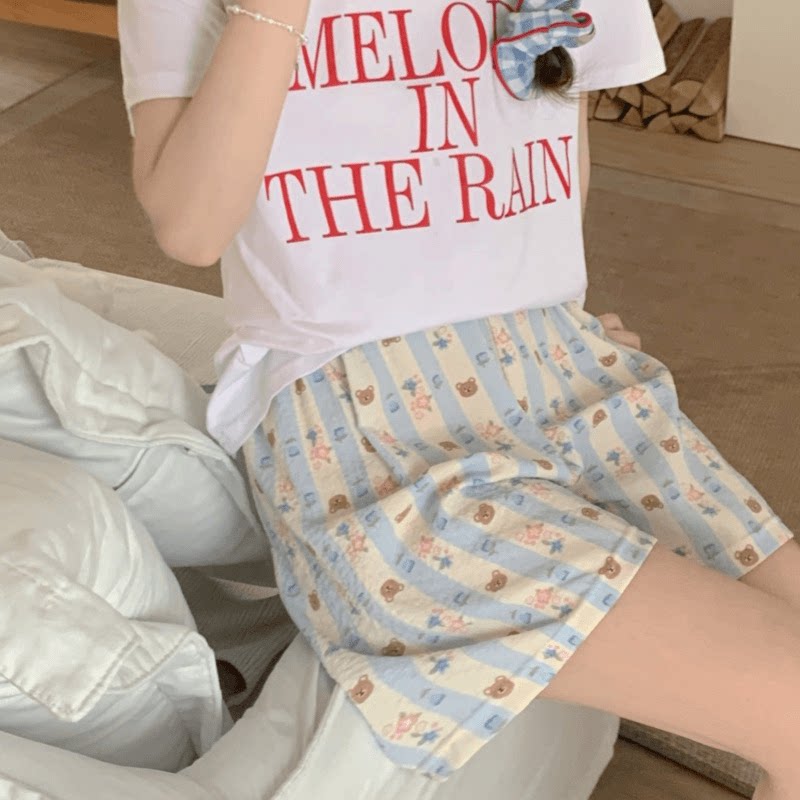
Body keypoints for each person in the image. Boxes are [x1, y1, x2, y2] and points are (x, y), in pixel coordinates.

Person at [118, 1, 800, 795]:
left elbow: (553, 152)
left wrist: (544, 313)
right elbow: (192, 227)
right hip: (369, 421)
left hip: (566, 376)